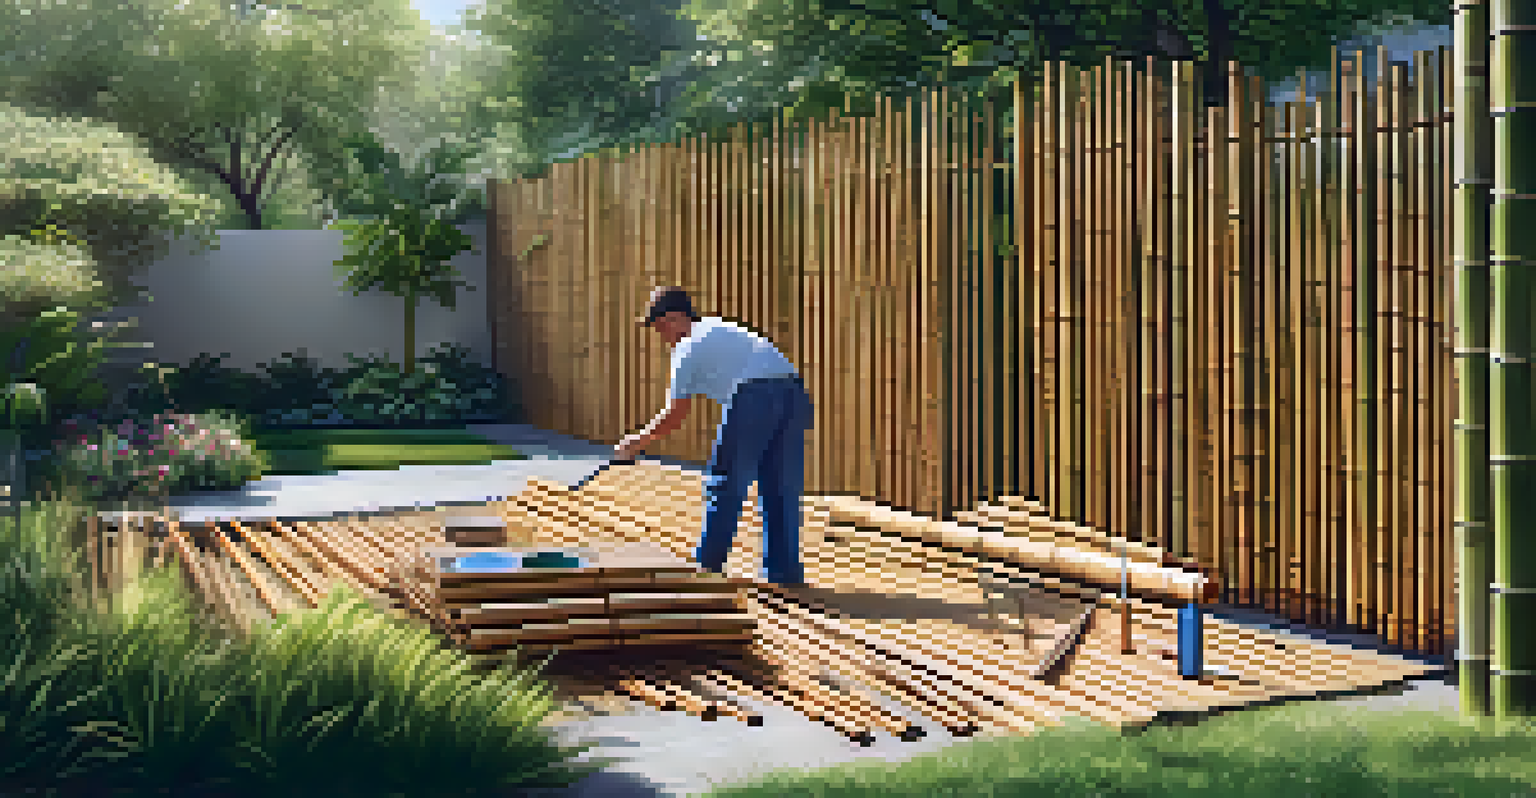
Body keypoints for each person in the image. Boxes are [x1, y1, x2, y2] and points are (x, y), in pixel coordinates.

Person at [615, 286, 813, 587]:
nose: (661, 335)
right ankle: (785, 576)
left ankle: (706, 568)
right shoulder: (719, 327)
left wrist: (635, 443)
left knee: (726, 483)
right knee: (780, 486)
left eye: (659, 326)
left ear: (673, 319)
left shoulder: (688, 346)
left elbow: (674, 416)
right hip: (793, 392)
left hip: (755, 396)